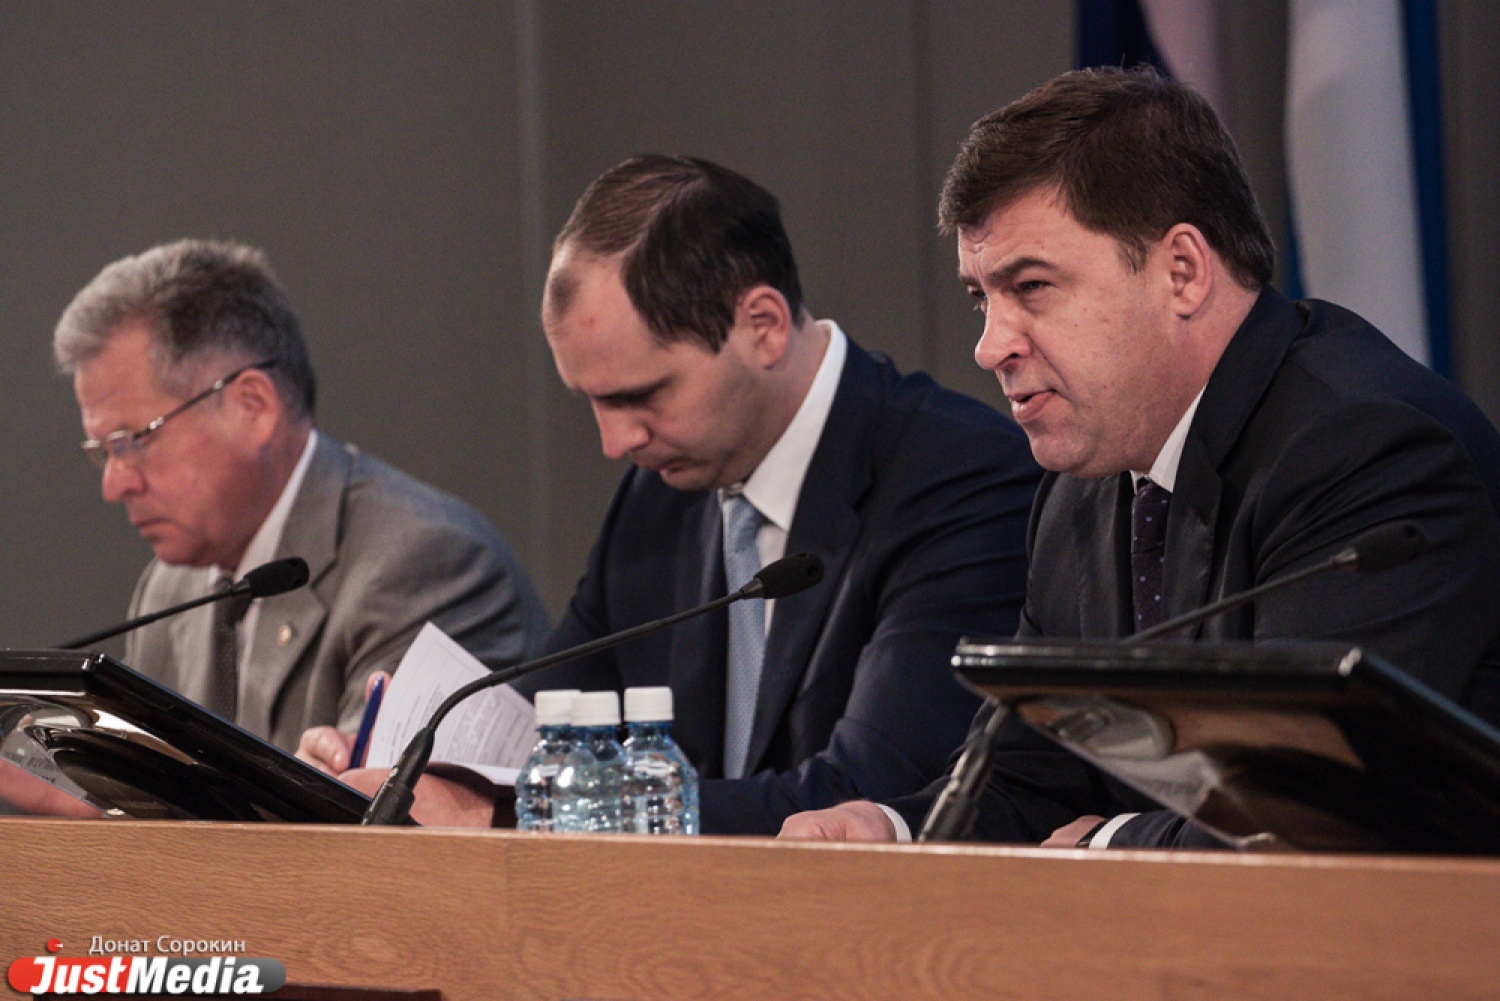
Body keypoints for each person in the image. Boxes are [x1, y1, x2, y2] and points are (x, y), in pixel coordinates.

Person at [780, 66, 1500, 848]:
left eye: (1032, 285)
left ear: (1182, 271)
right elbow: (1027, 778)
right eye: (982, 297)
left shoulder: (1364, 449)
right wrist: (894, 830)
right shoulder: (1080, 491)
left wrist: (1107, 844)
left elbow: (1310, 817)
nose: (990, 346)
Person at [302, 155, 1042, 834]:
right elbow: (538, 723)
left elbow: (863, 795)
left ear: (762, 327)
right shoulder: (658, 495)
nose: (614, 441)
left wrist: (514, 814)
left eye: (640, 395)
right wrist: (397, 767)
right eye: (592, 402)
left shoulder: (961, 477)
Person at [54, 239, 551, 754]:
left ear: (252, 408)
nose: (114, 485)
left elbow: (374, 799)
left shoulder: (423, 564)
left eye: (132, 442)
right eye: (102, 452)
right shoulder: (169, 587)